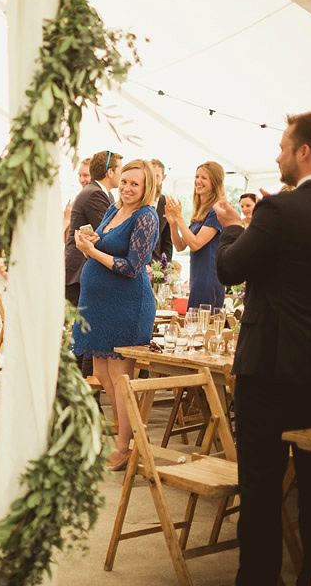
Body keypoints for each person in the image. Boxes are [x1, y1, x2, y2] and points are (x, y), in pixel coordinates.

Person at [214, 112, 311, 586]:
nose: (276, 155)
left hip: (270, 369)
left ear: (304, 152)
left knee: (260, 486)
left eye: (281, 146)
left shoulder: (278, 210)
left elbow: (230, 269)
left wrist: (235, 227)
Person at [71, 159, 159, 471]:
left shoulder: (146, 216)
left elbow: (132, 266)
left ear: (147, 187)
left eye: (135, 183)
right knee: (104, 374)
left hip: (126, 306)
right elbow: (103, 245)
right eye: (124, 182)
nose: (127, 188)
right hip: (97, 306)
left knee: (121, 379)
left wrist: (93, 253)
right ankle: (129, 431)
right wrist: (88, 243)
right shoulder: (113, 208)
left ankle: (124, 446)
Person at [64, 150, 121, 377]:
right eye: (120, 171)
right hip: (80, 274)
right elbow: (108, 235)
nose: (121, 176)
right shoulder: (95, 194)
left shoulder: (97, 193)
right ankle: (83, 397)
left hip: (81, 272)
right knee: (85, 338)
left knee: (85, 337)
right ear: (110, 172)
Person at [165, 161, 225, 310]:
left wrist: (179, 218)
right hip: (197, 278)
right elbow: (180, 246)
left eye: (204, 178)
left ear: (215, 182)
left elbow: (196, 244)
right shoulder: (200, 212)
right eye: (197, 176)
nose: (198, 181)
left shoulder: (216, 211)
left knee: (202, 326)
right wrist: (173, 224)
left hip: (208, 279)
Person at [150, 159, 174, 263]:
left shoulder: (167, 203)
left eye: (157, 176)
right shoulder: (135, 201)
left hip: (157, 265)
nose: (153, 180)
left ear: (163, 178)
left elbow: (167, 240)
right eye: (150, 176)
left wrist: (166, 266)